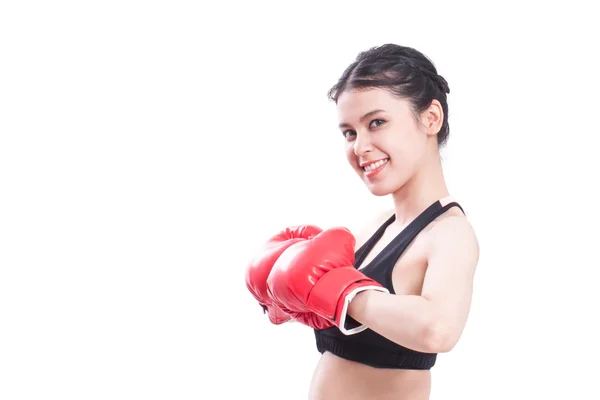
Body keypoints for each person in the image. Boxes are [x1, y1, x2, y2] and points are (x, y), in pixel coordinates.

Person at [245, 43, 479, 400]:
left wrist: (344, 295)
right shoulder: (377, 225)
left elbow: (438, 330)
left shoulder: (449, 233)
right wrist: (290, 296)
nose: (360, 147)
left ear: (431, 118)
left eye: (377, 123)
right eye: (350, 132)